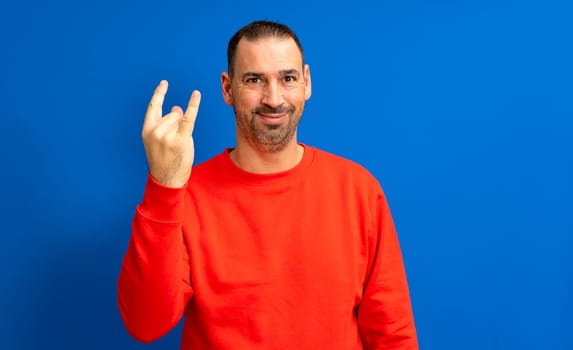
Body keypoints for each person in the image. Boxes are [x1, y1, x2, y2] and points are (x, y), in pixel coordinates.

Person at [118, 20, 418, 349]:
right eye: (254, 80)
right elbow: (145, 324)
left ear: (306, 82)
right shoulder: (187, 195)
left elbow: (392, 333)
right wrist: (165, 184)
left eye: (287, 79)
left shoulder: (358, 190)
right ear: (228, 88)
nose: (274, 99)